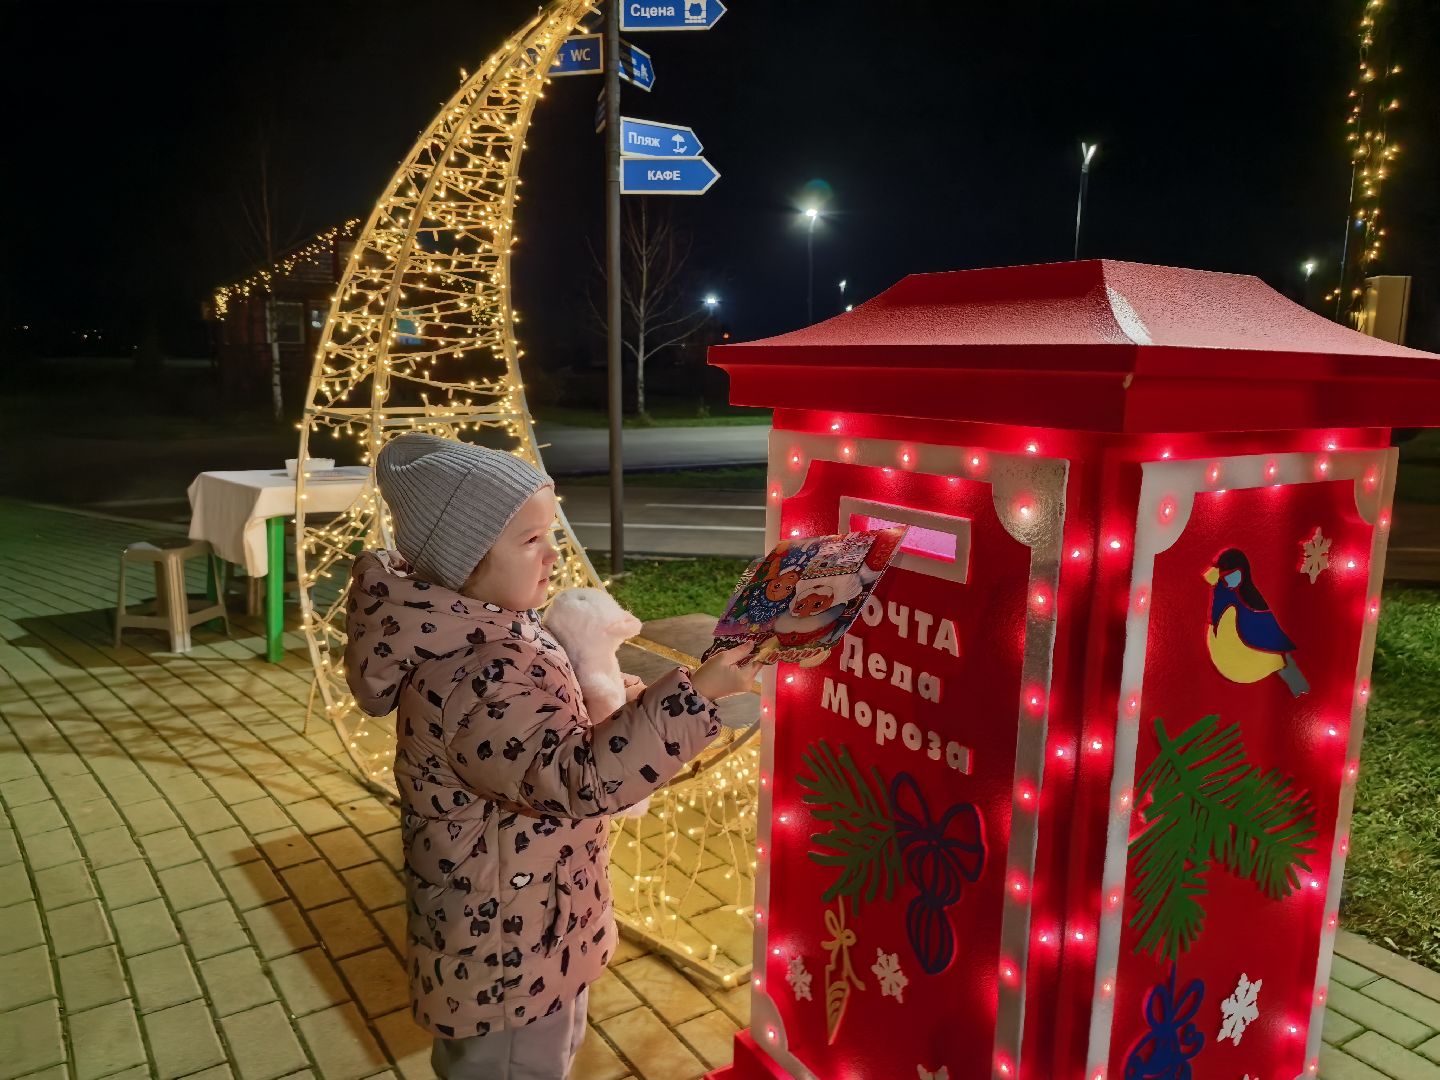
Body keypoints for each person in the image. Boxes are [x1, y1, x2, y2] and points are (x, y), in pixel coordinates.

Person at [342, 432, 762, 1080]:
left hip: (536, 925)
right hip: (508, 957)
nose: (553, 554)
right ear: (466, 558)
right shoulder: (471, 676)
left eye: (551, 534)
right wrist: (695, 697)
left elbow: (549, 737)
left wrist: (615, 700)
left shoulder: (493, 626)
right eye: (531, 540)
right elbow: (578, 776)